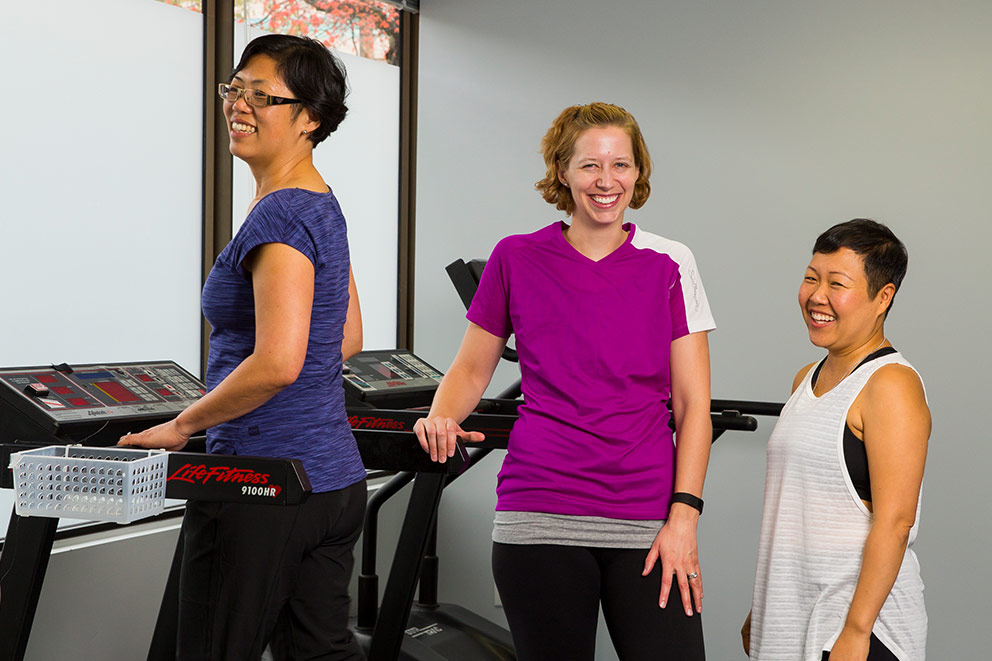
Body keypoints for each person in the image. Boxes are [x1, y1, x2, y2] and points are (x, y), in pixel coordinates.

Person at [413, 102, 715, 661]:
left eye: (621, 165)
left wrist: (684, 514)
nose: (607, 182)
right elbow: (472, 368)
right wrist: (441, 417)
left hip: (647, 515)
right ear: (562, 172)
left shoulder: (670, 262)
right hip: (540, 509)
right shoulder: (517, 257)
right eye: (590, 166)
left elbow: (694, 404)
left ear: (638, 172)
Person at [121, 34, 367, 660]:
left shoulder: (279, 216)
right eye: (237, 88)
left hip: (261, 480)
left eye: (264, 95)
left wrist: (182, 425)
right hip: (332, 480)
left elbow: (279, 362)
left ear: (310, 118)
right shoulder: (320, 204)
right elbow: (345, 337)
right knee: (318, 652)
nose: (241, 104)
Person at [742, 219, 930, 661]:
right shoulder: (804, 380)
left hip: (853, 631)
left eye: (837, 284)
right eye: (811, 278)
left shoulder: (891, 384)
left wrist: (856, 631)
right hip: (795, 619)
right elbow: (798, 505)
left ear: (883, 297)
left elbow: (896, 521)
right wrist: (765, 608)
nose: (816, 297)